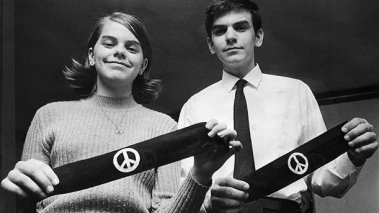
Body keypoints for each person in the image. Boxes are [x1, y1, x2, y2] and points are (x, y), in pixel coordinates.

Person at [1, 12, 242, 212]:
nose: (120, 51)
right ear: (91, 56)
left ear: (142, 66)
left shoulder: (163, 126)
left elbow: (165, 209)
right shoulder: (48, 115)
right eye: (109, 43)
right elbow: (27, 200)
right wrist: (20, 183)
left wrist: (200, 174)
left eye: (131, 48)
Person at [178, 0, 378, 213]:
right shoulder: (194, 106)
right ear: (211, 44)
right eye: (220, 31)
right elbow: (184, 189)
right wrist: (209, 202)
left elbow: (321, 179)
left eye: (240, 27)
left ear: (259, 37)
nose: (230, 36)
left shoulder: (296, 92)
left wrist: (354, 157)